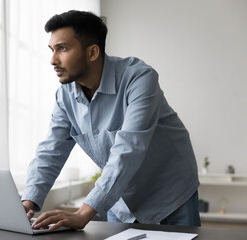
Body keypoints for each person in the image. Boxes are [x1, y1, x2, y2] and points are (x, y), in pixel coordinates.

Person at [21, 10, 201, 231]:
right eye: (52, 50)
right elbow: (51, 151)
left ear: (93, 52)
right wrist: (26, 204)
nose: (53, 60)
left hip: (170, 194)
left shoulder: (139, 78)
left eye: (63, 49)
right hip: (121, 201)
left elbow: (129, 149)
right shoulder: (64, 96)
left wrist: (83, 213)